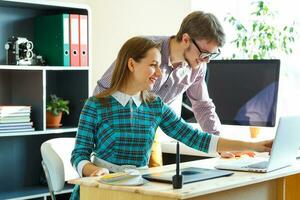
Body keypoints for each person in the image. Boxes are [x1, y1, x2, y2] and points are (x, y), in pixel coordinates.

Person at [70, 36, 272, 200]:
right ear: (131, 64)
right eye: (153, 65)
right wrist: (92, 170)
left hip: (139, 189)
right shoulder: (96, 104)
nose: (159, 73)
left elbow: (194, 136)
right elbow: (79, 154)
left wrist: (254, 146)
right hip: (100, 190)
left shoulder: (155, 105)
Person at [93, 11, 229, 164]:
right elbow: (104, 89)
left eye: (211, 55)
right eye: (204, 53)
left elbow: (202, 106)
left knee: (153, 181)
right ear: (185, 39)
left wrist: (220, 144)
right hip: (117, 129)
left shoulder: (197, 66)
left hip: (150, 132)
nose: (206, 60)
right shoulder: (145, 50)